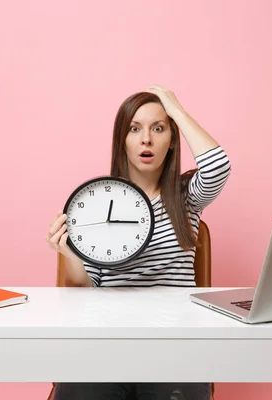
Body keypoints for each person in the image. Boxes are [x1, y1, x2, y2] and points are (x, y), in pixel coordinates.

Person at [45, 85, 231, 399]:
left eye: (158, 128)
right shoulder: (95, 200)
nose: (146, 139)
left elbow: (218, 167)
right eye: (135, 129)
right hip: (106, 344)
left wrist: (177, 111)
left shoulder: (186, 196)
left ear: (172, 141)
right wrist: (70, 253)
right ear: (123, 140)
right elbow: (81, 291)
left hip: (174, 346)